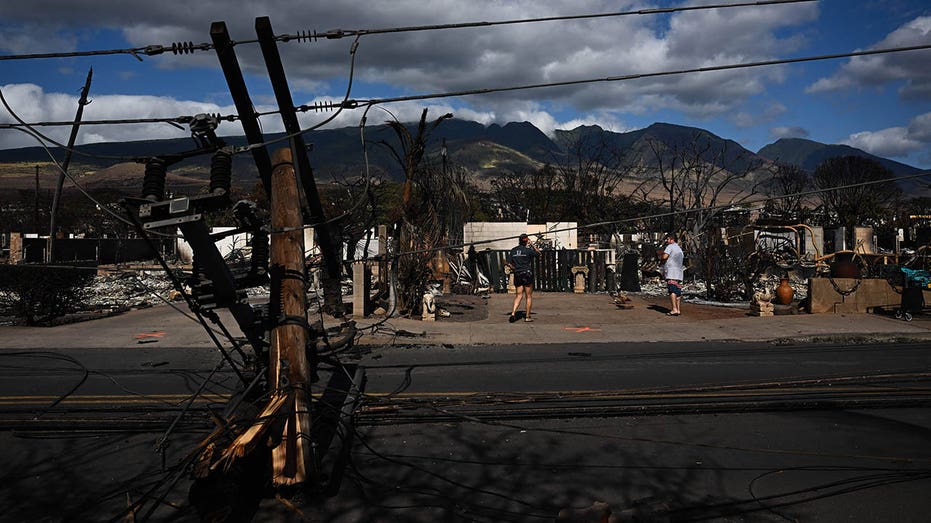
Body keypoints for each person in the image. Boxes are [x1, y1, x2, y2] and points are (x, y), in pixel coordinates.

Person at [507, 233, 540, 322]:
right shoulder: (528, 250)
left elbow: (509, 263)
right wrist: (532, 244)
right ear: (526, 241)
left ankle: (513, 313)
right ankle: (527, 317)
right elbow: (538, 253)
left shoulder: (513, 251)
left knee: (518, 295)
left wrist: (514, 268)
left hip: (518, 274)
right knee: (528, 296)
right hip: (527, 273)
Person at [659, 233, 684, 316]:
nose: (667, 241)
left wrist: (661, 257)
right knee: (678, 291)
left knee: (672, 290)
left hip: (672, 272)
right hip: (679, 273)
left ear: (671, 239)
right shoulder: (679, 249)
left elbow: (665, 257)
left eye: (667, 239)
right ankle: (678, 309)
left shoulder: (670, 246)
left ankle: (674, 309)